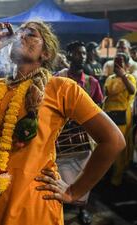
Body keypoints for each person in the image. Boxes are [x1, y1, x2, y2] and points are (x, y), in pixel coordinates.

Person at [0, 21, 125, 225]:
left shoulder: (62, 88)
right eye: (19, 32)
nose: (20, 36)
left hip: (34, 207)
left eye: (30, 34)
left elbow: (113, 141)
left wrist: (74, 191)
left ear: (45, 53)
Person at [55, 40, 104, 225]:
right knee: (58, 176)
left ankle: (81, 209)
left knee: (84, 174)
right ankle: (58, 209)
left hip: (84, 140)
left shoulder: (92, 83)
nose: (82, 56)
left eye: (83, 53)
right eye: (77, 53)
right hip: (61, 139)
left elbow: (99, 109)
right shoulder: (57, 78)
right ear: (68, 56)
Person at [102, 52, 137, 186]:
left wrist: (123, 76)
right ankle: (105, 174)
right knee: (107, 145)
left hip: (122, 115)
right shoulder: (110, 78)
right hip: (109, 114)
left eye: (120, 62)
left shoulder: (129, 78)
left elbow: (132, 91)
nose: (117, 64)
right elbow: (106, 94)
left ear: (127, 65)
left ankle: (116, 179)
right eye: (115, 61)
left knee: (118, 147)